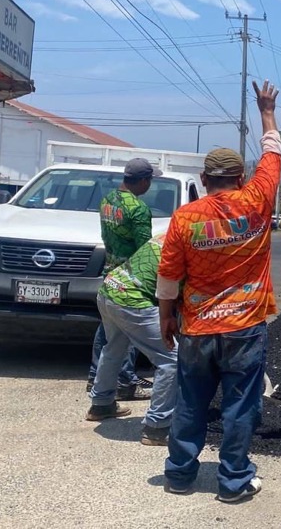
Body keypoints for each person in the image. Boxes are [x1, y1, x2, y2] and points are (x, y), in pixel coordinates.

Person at [157, 80, 281, 504]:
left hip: (196, 327)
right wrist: (266, 111)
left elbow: (169, 276)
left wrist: (165, 320)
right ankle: (232, 481)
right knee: (240, 406)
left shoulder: (185, 217)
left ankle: (179, 475)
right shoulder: (257, 200)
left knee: (191, 402)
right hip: (245, 325)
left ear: (203, 178)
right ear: (241, 177)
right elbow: (273, 155)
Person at [85, 234, 178, 447]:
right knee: (172, 359)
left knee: (113, 348)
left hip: (110, 289)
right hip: (132, 300)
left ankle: (101, 404)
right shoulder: (188, 246)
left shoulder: (167, 235)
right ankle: (158, 427)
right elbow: (172, 290)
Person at [86, 157, 160, 400]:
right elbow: (144, 250)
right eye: (150, 180)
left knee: (107, 332)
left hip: (109, 270)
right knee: (126, 334)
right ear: (143, 181)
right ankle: (126, 380)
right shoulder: (138, 209)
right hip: (129, 276)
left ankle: (96, 376)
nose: (150, 185)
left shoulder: (107, 201)